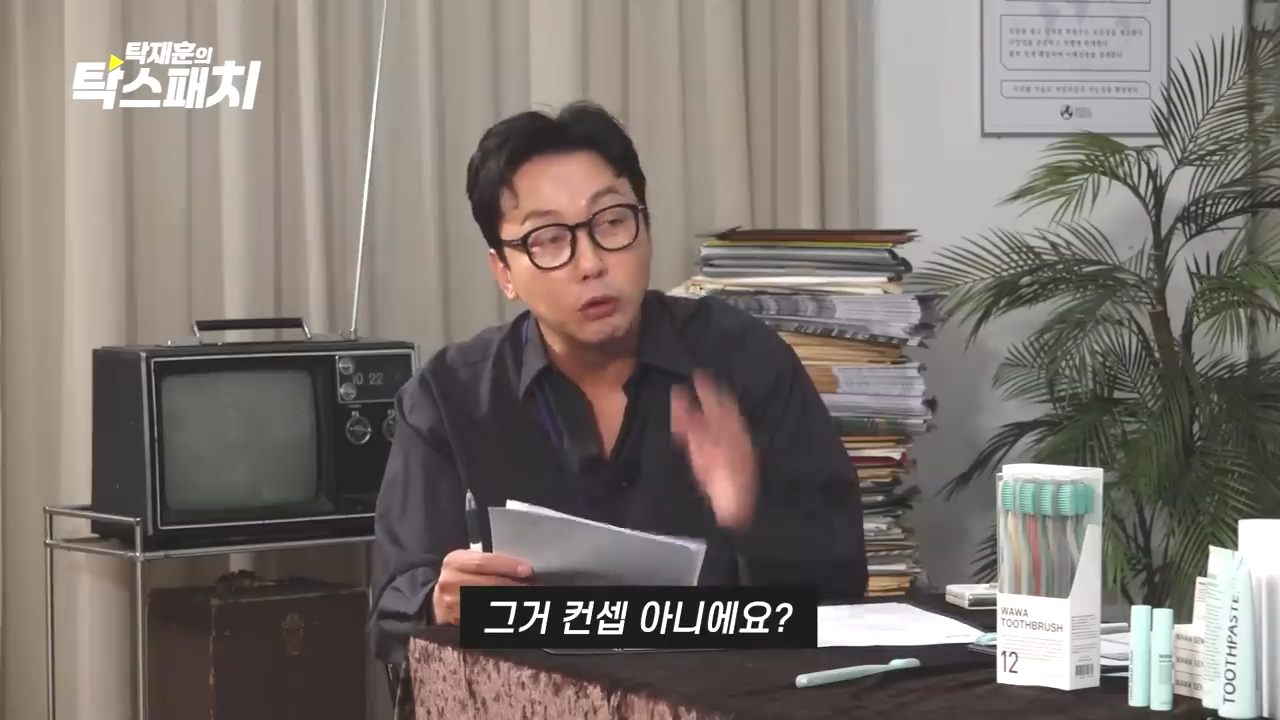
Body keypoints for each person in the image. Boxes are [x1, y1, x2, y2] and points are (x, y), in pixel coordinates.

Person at [370, 101, 867, 665]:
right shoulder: (450, 399)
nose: (590, 263)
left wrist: (751, 516)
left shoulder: (743, 362)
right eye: (548, 238)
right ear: (504, 272)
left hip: (717, 693)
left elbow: (841, 588)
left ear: (646, 228)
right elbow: (391, 618)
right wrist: (442, 603)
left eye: (611, 222)